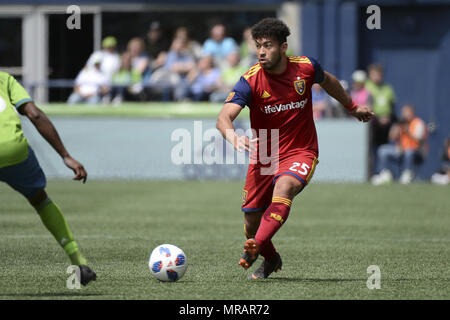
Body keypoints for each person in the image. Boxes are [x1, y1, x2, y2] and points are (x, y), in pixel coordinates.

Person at [216, 18, 373, 279]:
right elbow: (223, 118)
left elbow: (331, 82)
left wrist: (352, 107)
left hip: (301, 150)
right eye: (258, 46)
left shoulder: (306, 68)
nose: (261, 52)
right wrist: (233, 138)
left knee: (285, 187)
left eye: (267, 45)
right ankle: (270, 257)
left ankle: (255, 249)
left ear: (283, 46)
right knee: (250, 226)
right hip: (264, 157)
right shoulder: (250, 81)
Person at [0, 71, 96, 285]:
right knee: (39, 198)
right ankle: (78, 262)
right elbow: (34, 114)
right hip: (13, 151)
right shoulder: (4, 79)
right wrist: (66, 156)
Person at [371, 104, 427, 185]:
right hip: (400, 149)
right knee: (383, 150)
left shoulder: (418, 122)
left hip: (415, 150)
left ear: (412, 113)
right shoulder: (400, 123)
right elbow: (391, 137)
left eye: (407, 112)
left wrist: (407, 131)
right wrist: (396, 128)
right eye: (404, 112)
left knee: (408, 152)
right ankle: (382, 173)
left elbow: (419, 138)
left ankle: (406, 174)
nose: (405, 114)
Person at [365, 63, 396, 174]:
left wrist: (389, 118)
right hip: (371, 123)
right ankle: (371, 173)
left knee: (383, 149)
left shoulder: (387, 88)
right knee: (370, 149)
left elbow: (392, 106)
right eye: (374, 74)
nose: (377, 77)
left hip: (385, 124)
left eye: (379, 74)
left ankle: (382, 172)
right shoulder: (366, 87)